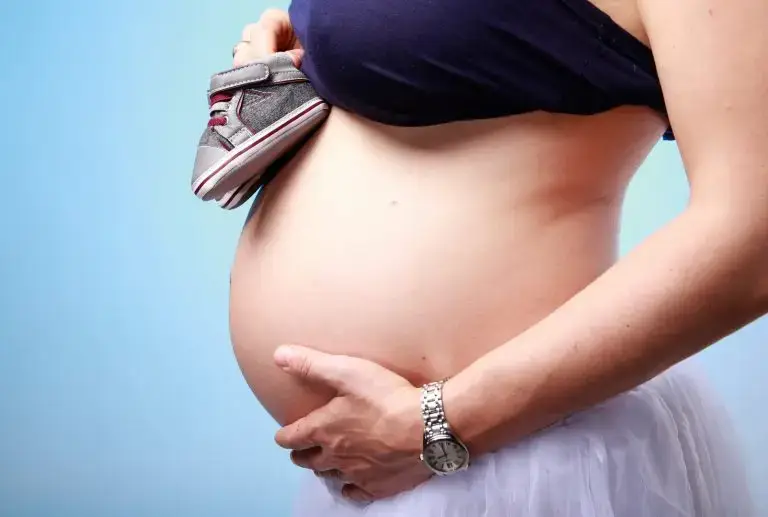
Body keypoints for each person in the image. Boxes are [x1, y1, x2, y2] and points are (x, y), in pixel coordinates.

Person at [224, 1, 763, 515]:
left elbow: (754, 234)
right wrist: (303, 57)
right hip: (387, 458)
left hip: (511, 454)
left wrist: (438, 425)